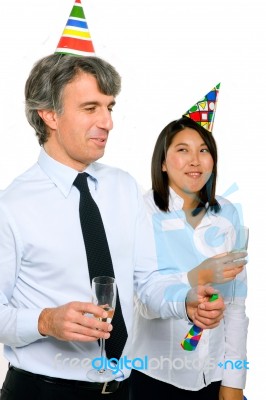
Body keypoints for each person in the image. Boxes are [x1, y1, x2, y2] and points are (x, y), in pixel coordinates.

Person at [0, 53, 238, 400]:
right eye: (90, 108)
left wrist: (184, 300)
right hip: (42, 392)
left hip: (123, 390)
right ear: (49, 115)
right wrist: (45, 321)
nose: (108, 122)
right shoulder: (11, 206)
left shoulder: (123, 188)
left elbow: (148, 282)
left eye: (109, 107)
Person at [130, 115, 248, 400]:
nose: (195, 160)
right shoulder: (141, 212)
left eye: (203, 150)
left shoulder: (228, 214)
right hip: (155, 377)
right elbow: (144, 298)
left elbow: (235, 305)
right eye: (182, 150)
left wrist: (234, 380)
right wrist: (196, 278)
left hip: (215, 375)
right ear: (162, 162)